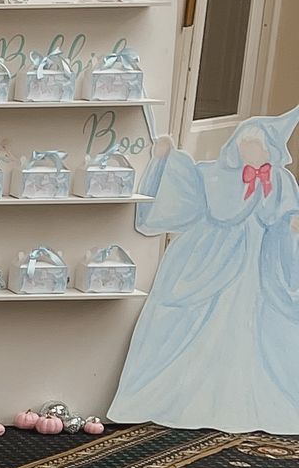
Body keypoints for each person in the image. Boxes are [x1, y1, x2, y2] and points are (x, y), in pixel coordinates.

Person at [109, 107, 299, 434]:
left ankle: (244, 394)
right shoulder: (215, 175)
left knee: (252, 319)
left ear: (270, 149)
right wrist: (169, 158)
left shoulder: (280, 180)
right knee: (205, 318)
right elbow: (188, 184)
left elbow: (286, 214)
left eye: (256, 146)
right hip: (215, 260)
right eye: (244, 144)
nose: (249, 151)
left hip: (259, 264)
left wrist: (290, 224)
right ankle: (193, 392)